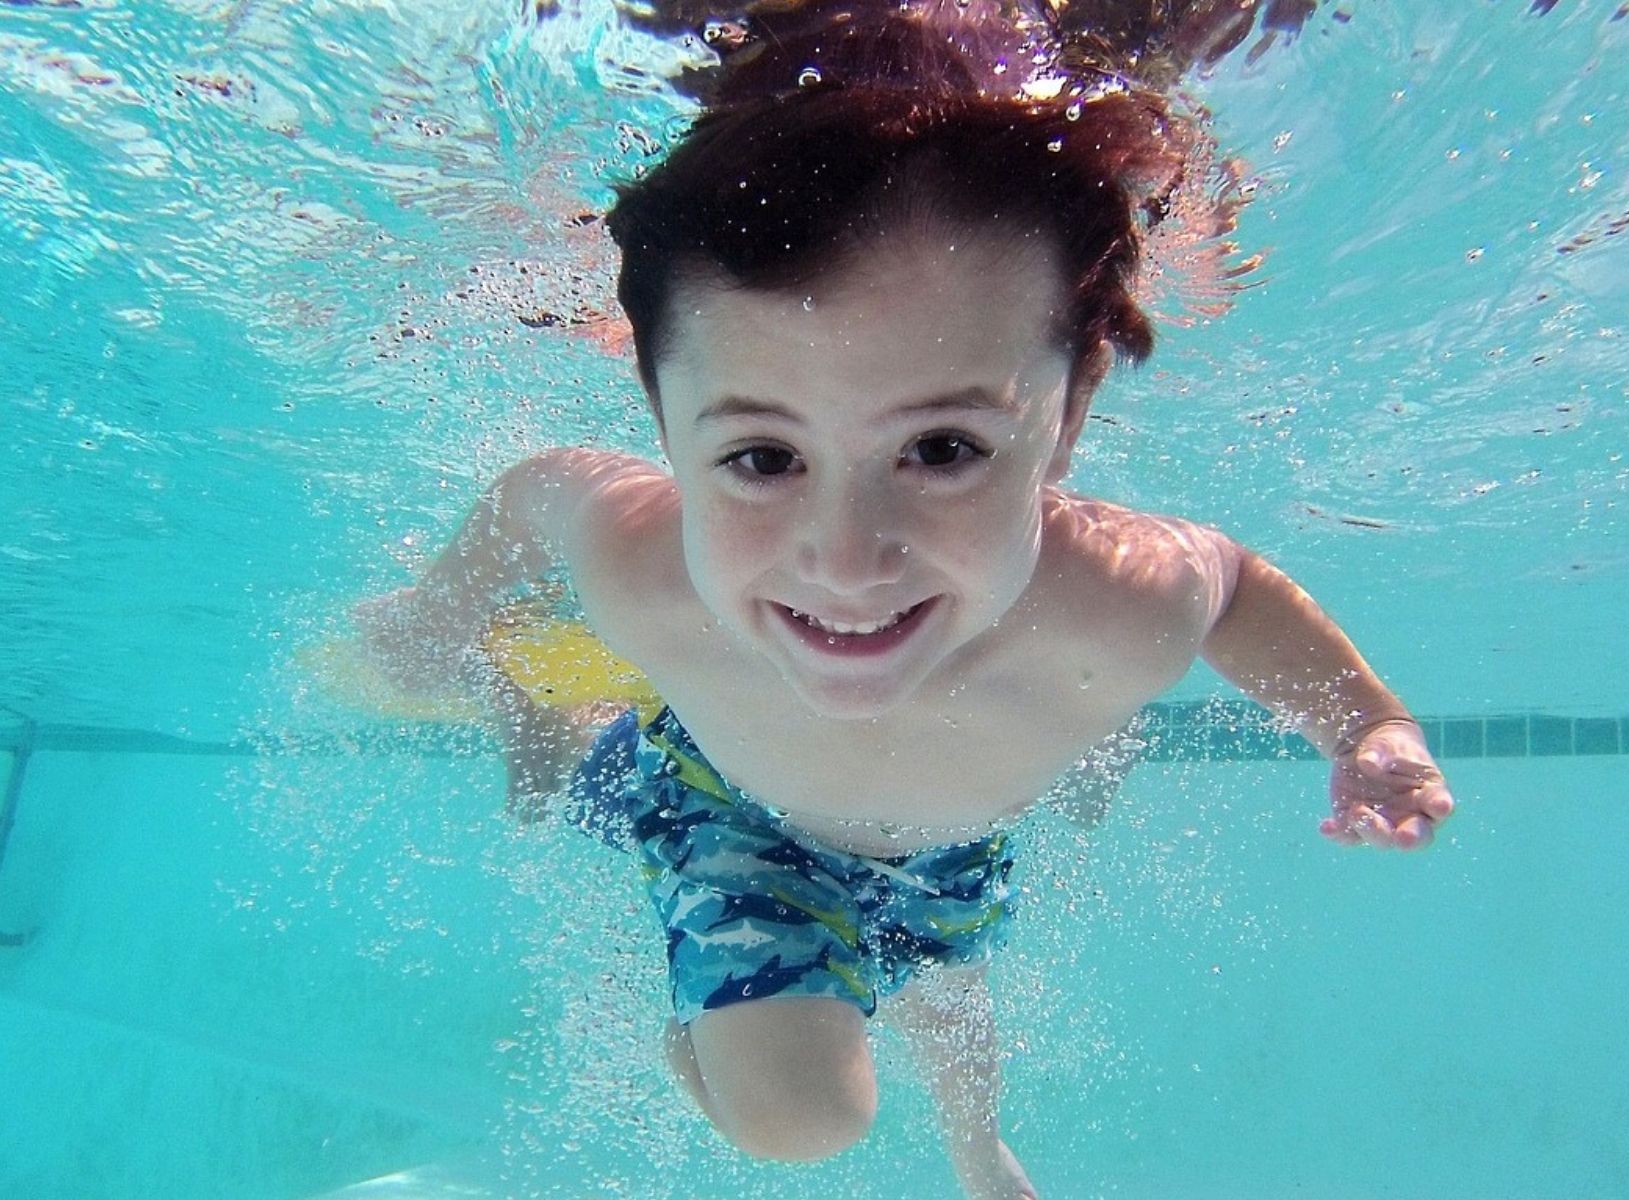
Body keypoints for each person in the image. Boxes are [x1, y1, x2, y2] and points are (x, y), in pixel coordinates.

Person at [354, 4, 1453, 1197]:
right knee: (802, 1116)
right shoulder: (642, 568)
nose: (847, 561)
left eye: (941, 449)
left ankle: (978, 1152)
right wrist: (437, 613)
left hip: (945, 843)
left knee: (944, 983)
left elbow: (1235, 591)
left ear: (1068, 416)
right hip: (728, 813)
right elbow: (536, 493)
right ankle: (552, 734)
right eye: (764, 460)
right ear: (665, 426)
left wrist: (1364, 723)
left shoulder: (1120, 602)